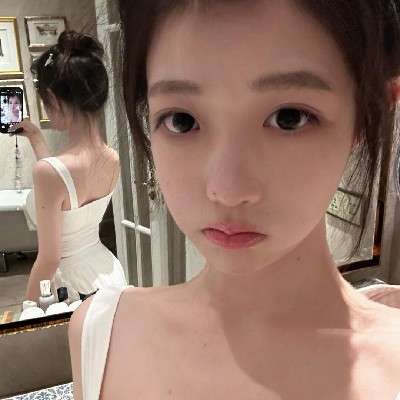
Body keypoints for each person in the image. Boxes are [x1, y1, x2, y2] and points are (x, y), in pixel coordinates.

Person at [69, 1, 400, 399]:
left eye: (289, 117)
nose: (227, 189)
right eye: (181, 120)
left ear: (370, 114)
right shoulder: (103, 334)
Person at [13, 30, 127, 303]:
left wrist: (29, 309)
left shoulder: (50, 173)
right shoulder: (112, 158)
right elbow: (63, 186)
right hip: (108, 272)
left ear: (53, 100)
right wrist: (36, 138)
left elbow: (49, 259)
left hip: (72, 288)